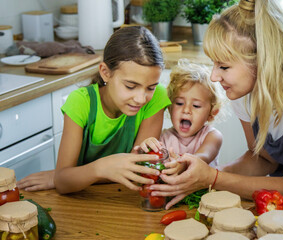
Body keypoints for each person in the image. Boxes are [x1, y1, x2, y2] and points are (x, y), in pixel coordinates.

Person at [149, 1, 283, 239]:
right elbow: (263, 159)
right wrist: (198, 175)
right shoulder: (245, 89)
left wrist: (212, 177)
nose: (214, 76)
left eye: (223, 66)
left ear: (263, 60)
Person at [17, 26, 171, 194]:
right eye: (130, 86)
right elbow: (63, 183)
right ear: (105, 73)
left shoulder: (156, 98)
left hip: (123, 198)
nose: (141, 98)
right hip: (82, 201)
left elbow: (139, 169)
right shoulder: (81, 103)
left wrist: (77, 175)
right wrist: (99, 168)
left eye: (150, 88)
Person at [136, 59, 224, 176]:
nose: (186, 110)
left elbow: (204, 156)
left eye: (196, 106)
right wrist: (147, 147)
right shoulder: (163, 139)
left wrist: (184, 164)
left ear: (212, 113)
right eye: (179, 103)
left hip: (203, 192)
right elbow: (148, 163)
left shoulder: (212, 137)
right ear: (170, 108)